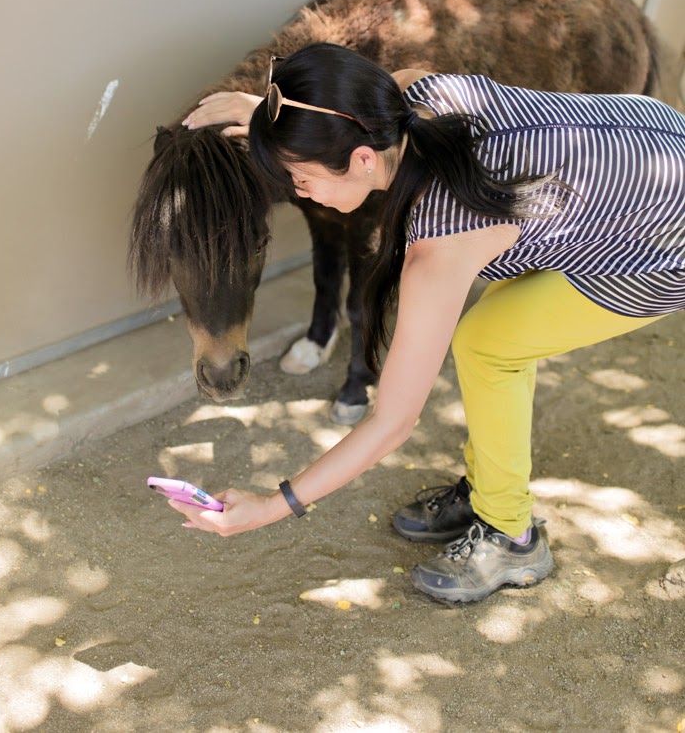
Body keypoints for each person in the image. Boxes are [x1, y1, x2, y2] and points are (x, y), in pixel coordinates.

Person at [173, 42, 685, 604]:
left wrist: (273, 506)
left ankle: (512, 537)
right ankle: (493, 487)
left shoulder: (441, 243)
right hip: (656, 137)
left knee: (489, 344)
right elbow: (350, 107)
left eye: (300, 176)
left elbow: (392, 421)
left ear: (364, 158)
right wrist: (272, 115)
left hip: (662, 240)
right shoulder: (411, 97)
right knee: (491, 332)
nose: (300, 193)